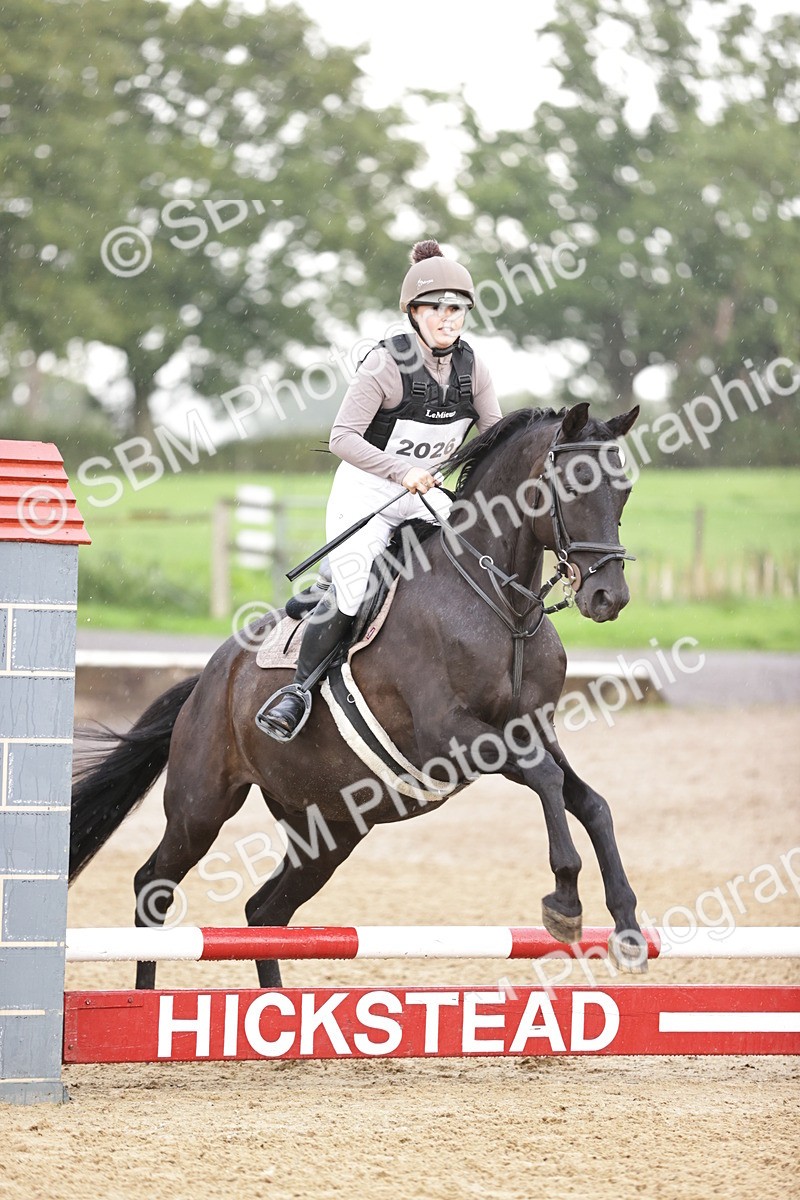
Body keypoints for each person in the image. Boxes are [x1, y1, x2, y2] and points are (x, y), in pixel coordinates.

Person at [257, 238, 503, 740]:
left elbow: (494, 438)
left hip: (427, 495)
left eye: (457, 310)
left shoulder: (473, 370)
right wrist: (400, 471)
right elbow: (341, 438)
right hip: (366, 496)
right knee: (352, 594)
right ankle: (298, 690)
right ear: (413, 313)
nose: (448, 318)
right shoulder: (385, 366)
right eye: (437, 309)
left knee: (479, 564)